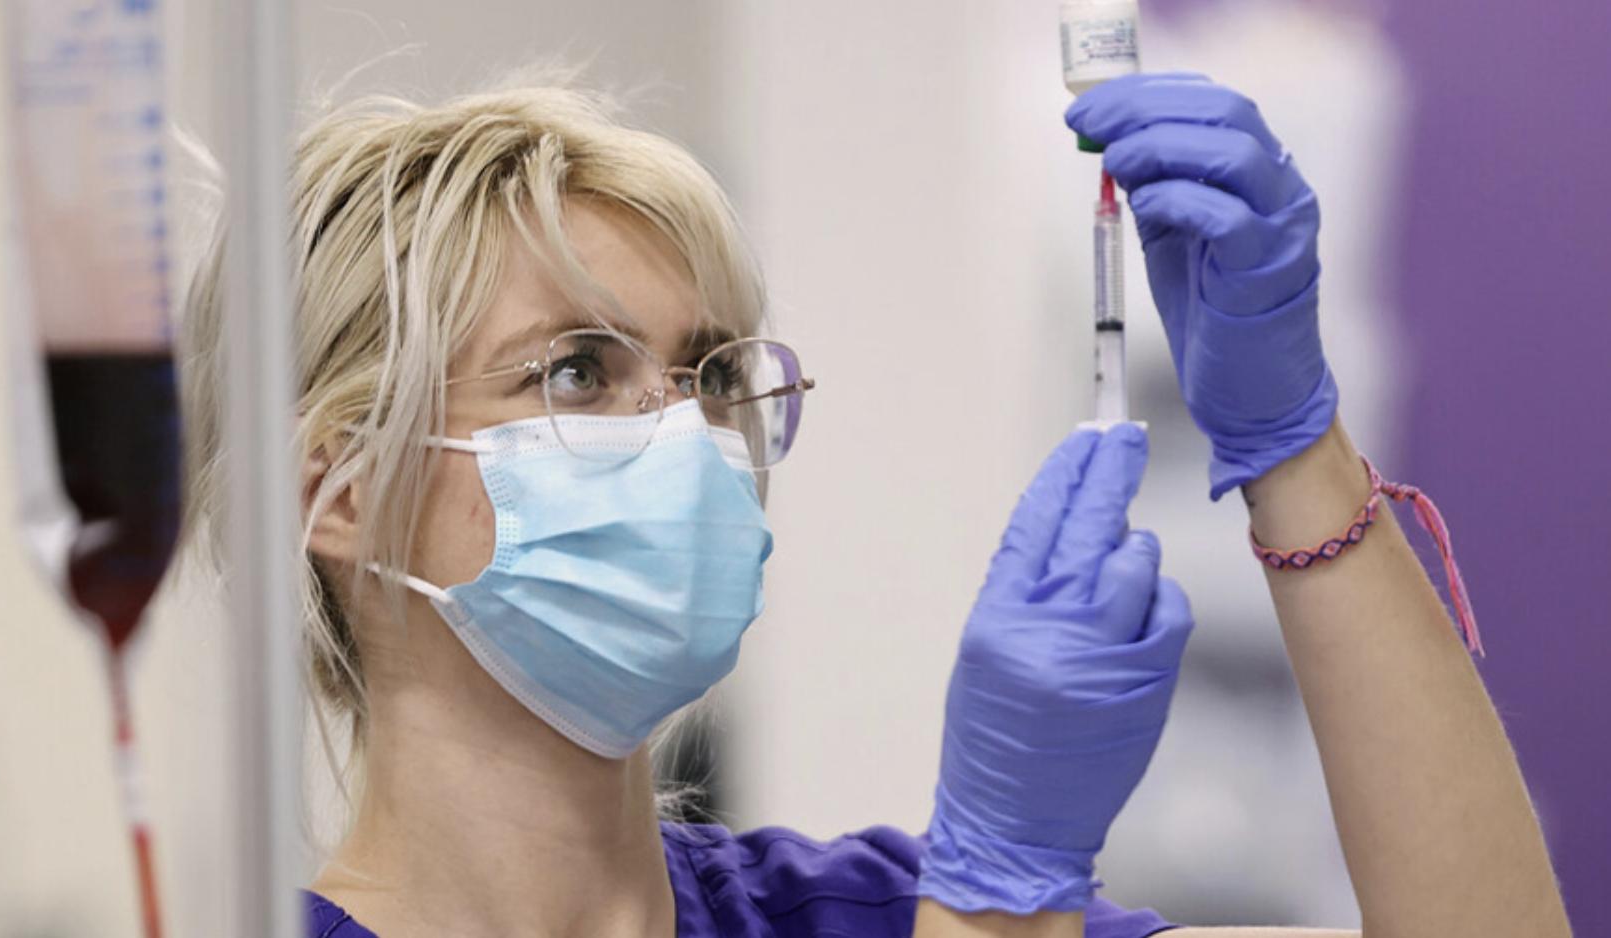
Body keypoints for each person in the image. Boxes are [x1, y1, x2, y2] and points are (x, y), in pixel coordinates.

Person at [179, 73, 1571, 937]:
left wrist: (1293, 447)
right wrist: (1000, 900)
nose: (686, 435)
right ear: (342, 491)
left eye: (713, 372)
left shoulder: (847, 911)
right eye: (576, 370)